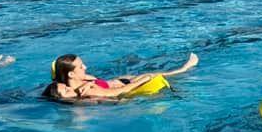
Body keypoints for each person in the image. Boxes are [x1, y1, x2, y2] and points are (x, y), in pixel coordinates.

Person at [43, 52, 199, 102]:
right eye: (81, 66)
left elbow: (57, 74)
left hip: (119, 79)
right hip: (125, 88)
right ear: (71, 74)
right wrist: (146, 78)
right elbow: (119, 92)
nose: (85, 67)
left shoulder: (75, 81)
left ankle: (182, 70)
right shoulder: (88, 92)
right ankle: (185, 69)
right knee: (160, 75)